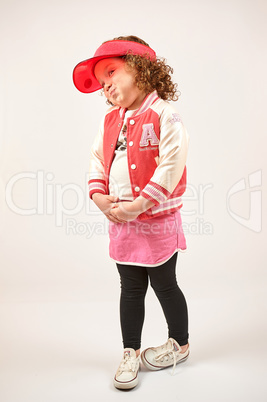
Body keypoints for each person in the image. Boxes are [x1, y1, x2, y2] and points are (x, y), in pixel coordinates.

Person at [73, 35, 190, 390]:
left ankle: (179, 343)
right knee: (130, 288)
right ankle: (130, 351)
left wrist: (141, 205)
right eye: (102, 83)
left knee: (165, 284)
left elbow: (172, 163)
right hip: (122, 222)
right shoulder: (110, 121)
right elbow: (97, 158)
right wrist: (98, 195)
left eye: (111, 72)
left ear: (142, 70)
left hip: (156, 220)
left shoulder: (164, 115)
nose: (106, 85)